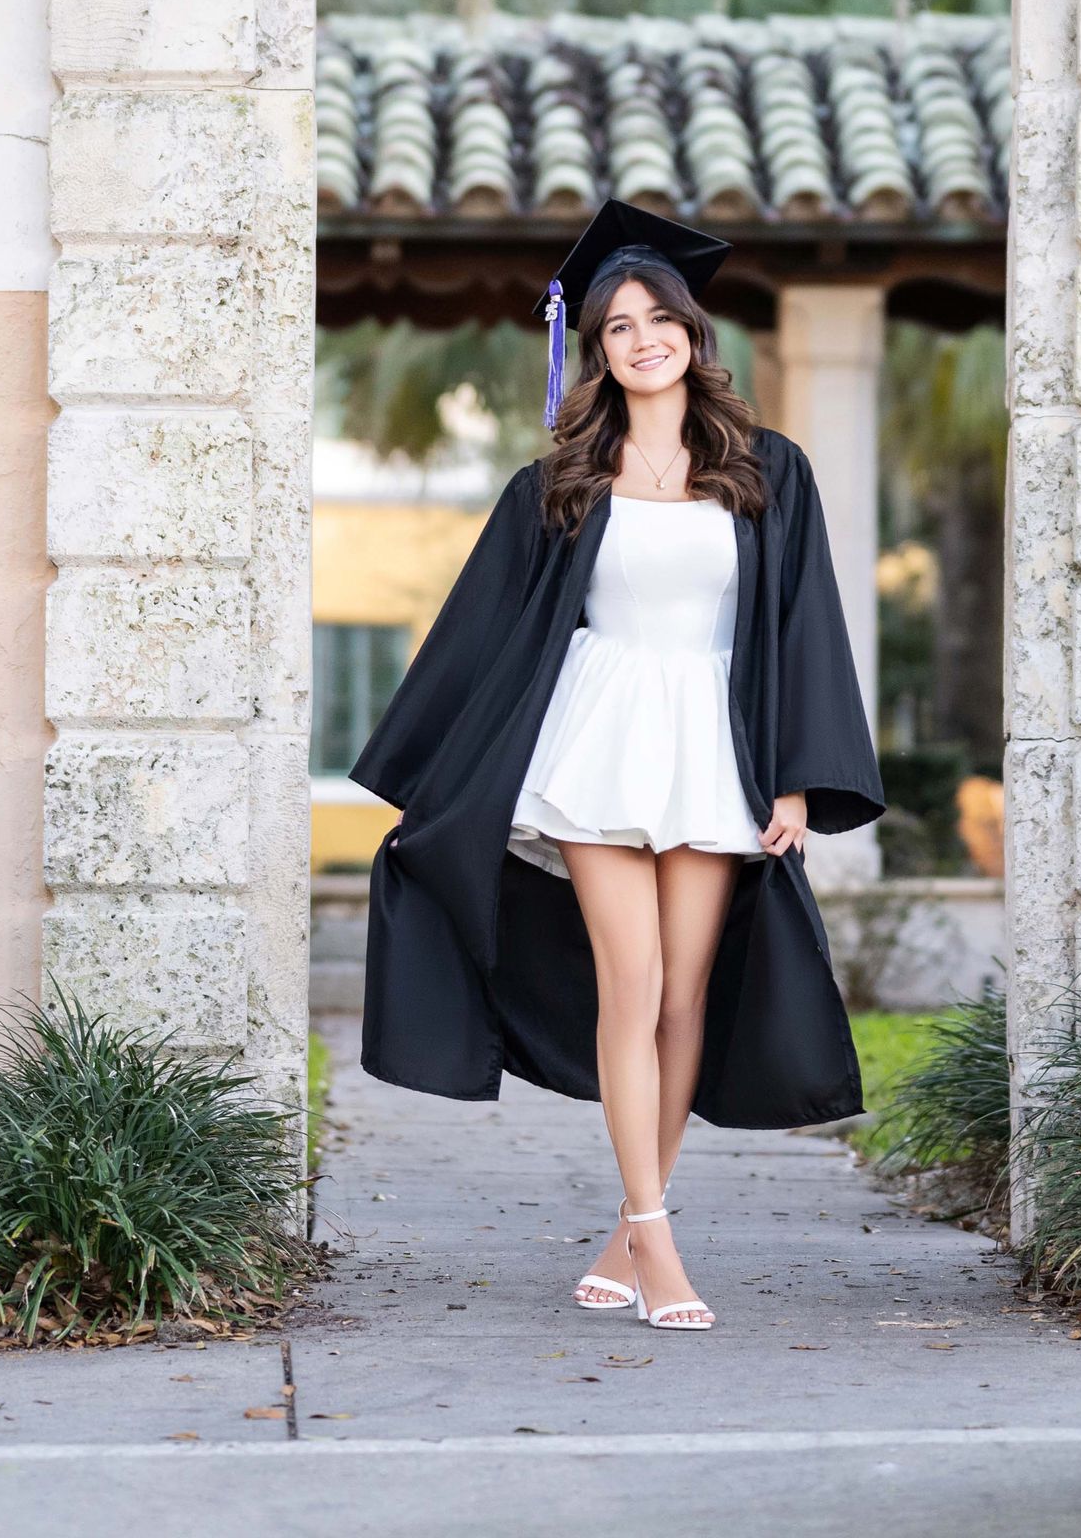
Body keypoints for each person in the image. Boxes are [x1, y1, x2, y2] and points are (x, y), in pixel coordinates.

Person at [354, 201, 884, 1334]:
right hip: (597, 742)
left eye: (661, 319)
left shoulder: (767, 470)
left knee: (689, 996)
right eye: (618, 327)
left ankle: (625, 1227)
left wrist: (795, 777)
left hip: (712, 742)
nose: (644, 339)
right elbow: (486, 635)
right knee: (631, 987)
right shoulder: (561, 485)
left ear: (692, 333)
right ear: (595, 351)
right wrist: (442, 777)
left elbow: (803, 625)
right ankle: (662, 1244)